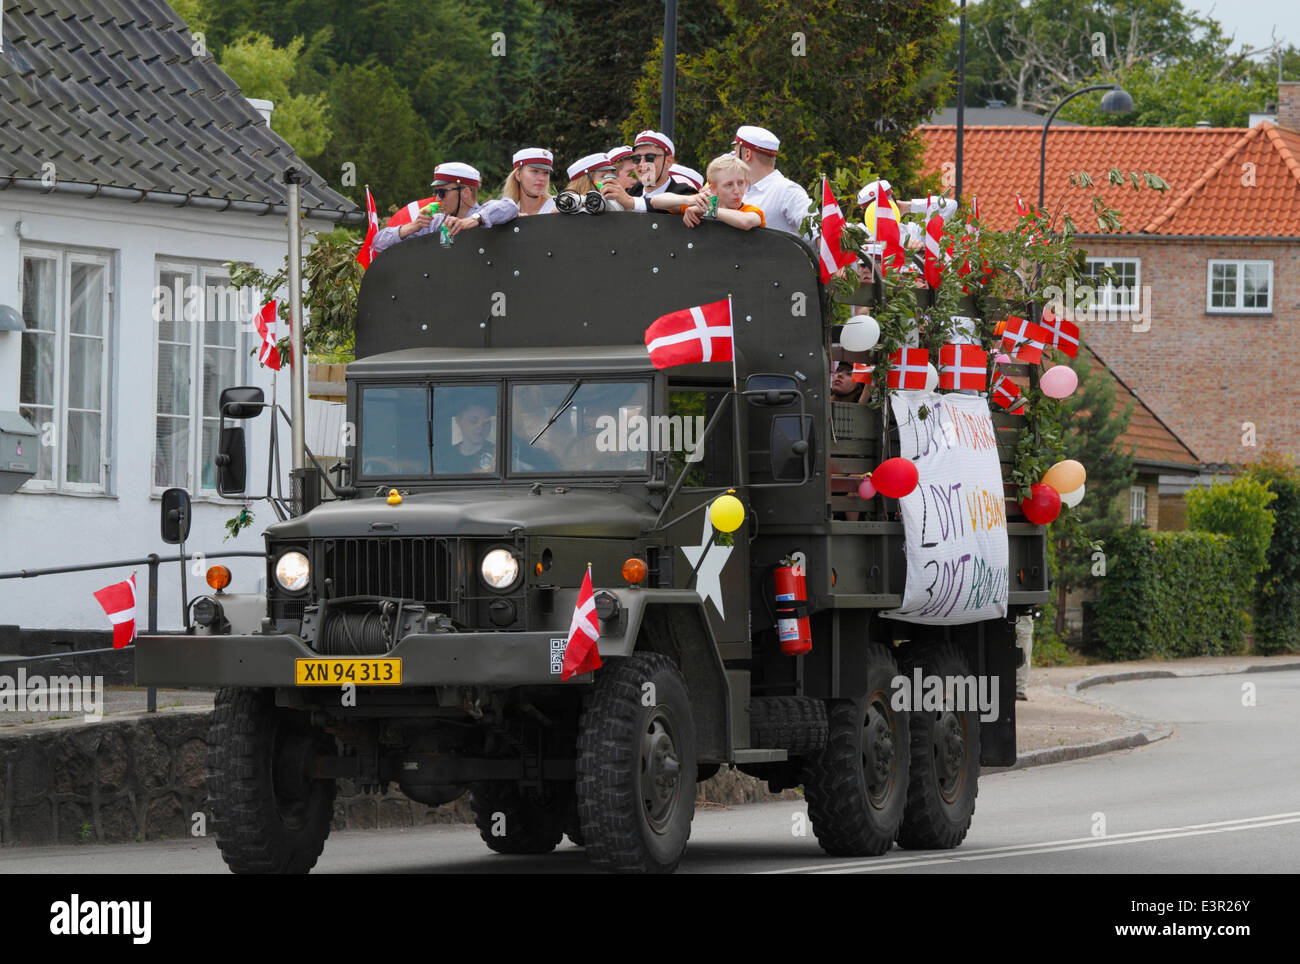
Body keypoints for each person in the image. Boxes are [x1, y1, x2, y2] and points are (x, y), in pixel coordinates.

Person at [370, 163, 518, 255]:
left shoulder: (486, 215)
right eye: (435, 193)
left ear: (466, 192)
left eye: (442, 193)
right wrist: (412, 227)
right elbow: (377, 243)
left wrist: (472, 221)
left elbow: (510, 207)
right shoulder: (436, 223)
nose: (437, 199)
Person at [649, 153, 764, 231]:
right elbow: (656, 201)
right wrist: (690, 200)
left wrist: (709, 211)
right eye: (728, 185)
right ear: (712, 187)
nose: (737, 190)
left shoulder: (750, 211)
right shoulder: (701, 204)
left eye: (740, 183)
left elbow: (746, 222)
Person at [733, 125, 812, 236]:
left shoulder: (788, 191)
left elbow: (816, 232)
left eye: (735, 152)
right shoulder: (738, 188)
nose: (733, 157)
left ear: (747, 154)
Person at [600, 131, 695, 212]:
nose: (642, 164)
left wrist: (632, 202)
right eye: (636, 158)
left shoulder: (684, 192)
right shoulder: (632, 192)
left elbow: (694, 205)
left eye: (650, 157)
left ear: (668, 161)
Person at [439, 396, 496, 474]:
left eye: (486, 422)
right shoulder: (446, 455)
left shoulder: (495, 453)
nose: (480, 427)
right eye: (473, 421)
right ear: (459, 421)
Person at [499, 147, 556, 216]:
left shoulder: (558, 207)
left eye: (546, 173)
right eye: (535, 171)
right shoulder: (507, 213)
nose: (542, 178)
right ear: (518, 175)